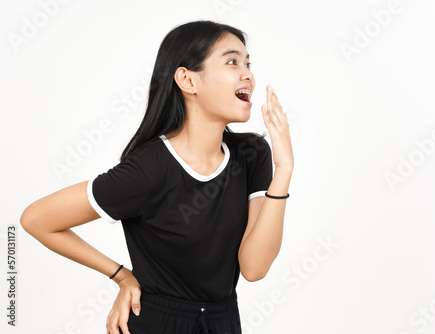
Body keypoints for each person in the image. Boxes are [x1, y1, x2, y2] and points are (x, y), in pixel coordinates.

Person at [20, 20, 294, 334]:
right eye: (232, 62)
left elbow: (254, 268)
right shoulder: (148, 169)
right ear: (188, 80)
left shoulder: (252, 154)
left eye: (248, 63)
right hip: (157, 322)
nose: (248, 74)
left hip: (223, 322)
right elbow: (36, 219)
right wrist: (122, 275)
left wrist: (284, 170)